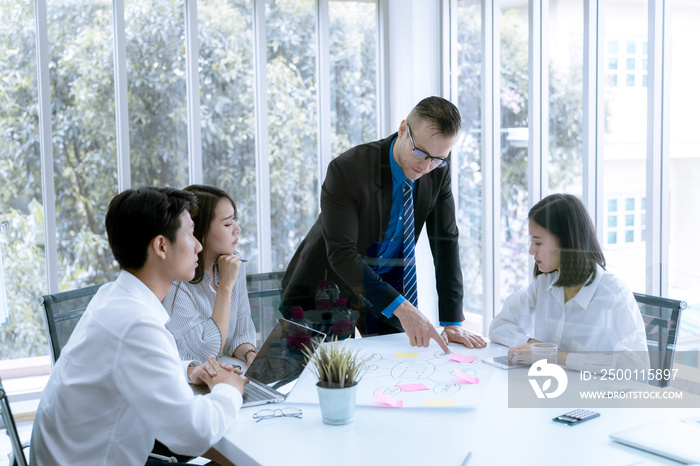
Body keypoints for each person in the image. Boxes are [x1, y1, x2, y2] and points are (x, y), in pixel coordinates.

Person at [30, 186, 248, 466]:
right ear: (160, 246)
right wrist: (230, 388)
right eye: (190, 234)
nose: (198, 245)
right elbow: (192, 434)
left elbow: (125, 366)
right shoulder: (137, 325)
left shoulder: (114, 296)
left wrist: (188, 371)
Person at [281, 96, 486, 353]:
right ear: (403, 129)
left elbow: (446, 241)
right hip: (326, 286)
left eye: (437, 159)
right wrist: (403, 308)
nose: (425, 166)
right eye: (420, 153)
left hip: (385, 283)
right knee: (318, 379)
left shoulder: (438, 170)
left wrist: (452, 321)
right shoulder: (348, 169)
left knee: (398, 367)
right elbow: (342, 254)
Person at [489, 193, 648, 371]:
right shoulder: (545, 284)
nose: (530, 250)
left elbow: (637, 367)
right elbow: (499, 326)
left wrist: (556, 356)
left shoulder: (614, 295)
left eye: (538, 243)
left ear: (566, 242)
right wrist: (535, 347)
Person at [163, 185, 258, 366]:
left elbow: (240, 334)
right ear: (200, 232)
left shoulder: (232, 264)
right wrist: (225, 287)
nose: (237, 229)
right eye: (228, 224)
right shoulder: (175, 281)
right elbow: (205, 353)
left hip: (223, 373)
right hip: (191, 384)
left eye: (234, 221)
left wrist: (250, 354)